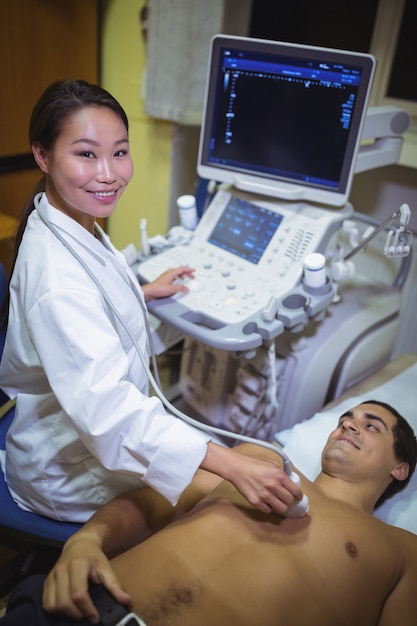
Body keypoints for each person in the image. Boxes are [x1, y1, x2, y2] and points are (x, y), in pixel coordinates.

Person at [0, 79, 301, 523]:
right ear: (42, 155)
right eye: (86, 154)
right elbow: (111, 418)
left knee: (234, 472)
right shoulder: (57, 279)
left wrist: (135, 291)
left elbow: (84, 307)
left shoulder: (66, 217)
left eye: (119, 152)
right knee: (228, 497)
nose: (109, 173)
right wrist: (230, 463)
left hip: (77, 431)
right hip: (68, 468)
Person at [2, 400, 416, 626]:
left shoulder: (402, 552)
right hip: (82, 606)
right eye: (345, 419)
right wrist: (84, 542)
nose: (347, 425)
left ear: (400, 469)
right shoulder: (260, 462)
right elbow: (150, 504)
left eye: (371, 425)